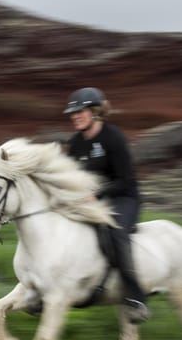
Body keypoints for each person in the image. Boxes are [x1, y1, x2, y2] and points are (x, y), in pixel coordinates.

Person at [63, 87, 150, 324]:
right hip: (92, 200)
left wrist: (98, 194)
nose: (75, 116)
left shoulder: (114, 137)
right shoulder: (75, 143)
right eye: (72, 113)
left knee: (116, 231)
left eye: (80, 112)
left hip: (124, 198)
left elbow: (126, 180)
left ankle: (136, 296)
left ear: (95, 112)